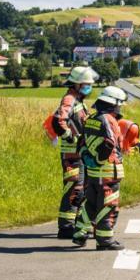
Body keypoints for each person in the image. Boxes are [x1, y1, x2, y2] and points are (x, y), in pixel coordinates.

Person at [72, 86, 128, 250]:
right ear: (113, 104)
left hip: (94, 173)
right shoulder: (108, 119)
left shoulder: (91, 118)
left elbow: (80, 144)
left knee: (90, 204)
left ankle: (79, 234)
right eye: (119, 104)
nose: (120, 107)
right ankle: (105, 240)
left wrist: (90, 161)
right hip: (108, 172)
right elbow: (110, 142)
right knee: (107, 205)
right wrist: (99, 159)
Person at [51, 66, 97, 239]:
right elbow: (58, 121)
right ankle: (66, 227)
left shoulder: (79, 100)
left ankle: (76, 223)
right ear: (77, 84)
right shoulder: (70, 99)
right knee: (73, 188)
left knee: (82, 189)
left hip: (80, 154)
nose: (89, 87)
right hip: (72, 155)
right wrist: (70, 136)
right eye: (86, 84)